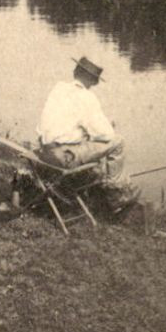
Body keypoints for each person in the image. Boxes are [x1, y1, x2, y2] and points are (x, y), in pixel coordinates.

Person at [37, 56, 137, 216]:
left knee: (87, 138)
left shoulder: (59, 88)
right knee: (117, 142)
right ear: (93, 81)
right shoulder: (87, 97)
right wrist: (105, 128)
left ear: (75, 72)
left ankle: (98, 185)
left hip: (44, 153)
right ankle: (114, 195)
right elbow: (106, 134)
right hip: (63, 158)